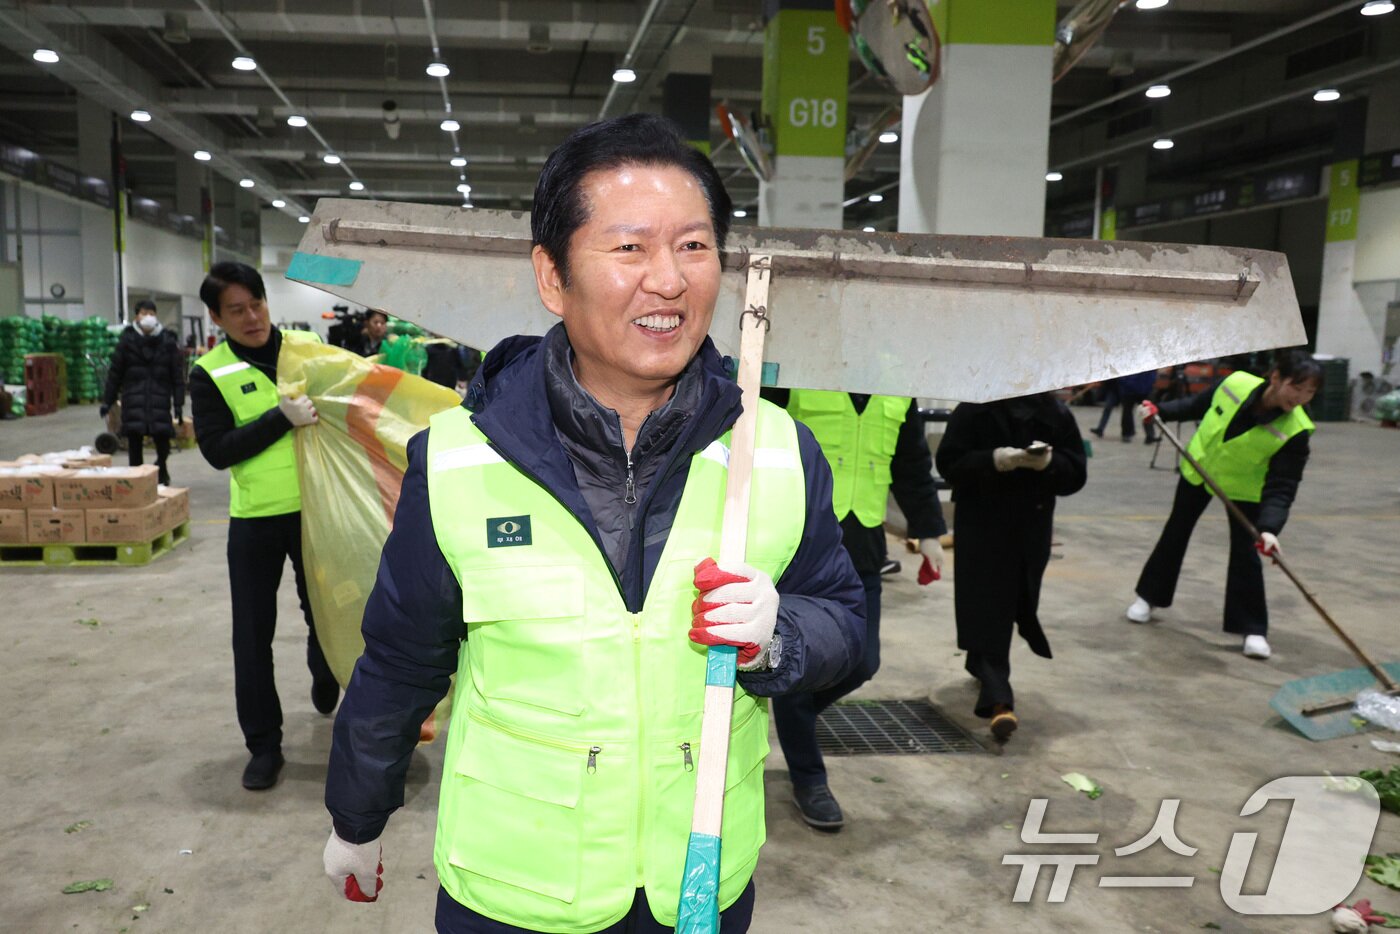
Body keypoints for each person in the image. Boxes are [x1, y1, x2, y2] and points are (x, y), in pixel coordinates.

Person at [320, 114, 865, 934]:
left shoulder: (778, 451)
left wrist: (778, 638)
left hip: (698, 885)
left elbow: (847, 623)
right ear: (553, 276)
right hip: (514, 891)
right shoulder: (463, 457)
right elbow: (401, 660)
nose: (669, 280)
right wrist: (356, 818)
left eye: (693, 246)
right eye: (630, 248)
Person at [762, 389, 945, 831]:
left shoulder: (897, 393)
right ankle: (810, 778)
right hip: (800, 549)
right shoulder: (798, 378)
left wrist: (929, 532)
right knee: (801, 664)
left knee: (863, 661)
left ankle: (793, 709)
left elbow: (912, 466)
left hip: (863, 547)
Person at [190, 262, 339, 791]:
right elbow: (217, 450)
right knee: (252, 638)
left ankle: (325, 670)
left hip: (316, 511)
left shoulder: (306, 347)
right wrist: (280, 419)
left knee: (328, 615)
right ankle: (264, 745)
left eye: (257, 304)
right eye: (237, 310)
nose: (252, 317)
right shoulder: (210, 372)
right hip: (255, 520)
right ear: (216, 318)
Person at [1125, 351, 1320, 659]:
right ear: (1276, 377)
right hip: (1199, 468)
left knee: (1246, 553)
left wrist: (1269, 529)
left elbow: (1283, 485)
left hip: (1244, 489)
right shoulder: (1235, 383)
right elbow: (1197, 405)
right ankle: (1149, 597)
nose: (1300, 398)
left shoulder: (1296, 429)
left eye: (1309, 392)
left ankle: (1252, 628)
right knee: (1175, 533)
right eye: (1296, 387)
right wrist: (1160, 410)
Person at [935, 393, 1087, 740]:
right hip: (982, 525)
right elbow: (949, 463)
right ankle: (998, 698)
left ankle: (980, 663)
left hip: (1031, 526)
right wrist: (994, 460)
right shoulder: (974, 409)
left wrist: (1048, 464)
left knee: (1016, 600)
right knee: (988, 603)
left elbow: (1076, 473)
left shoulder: (1055, 414)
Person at [101, 299, 185, 485]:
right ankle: (136, 478)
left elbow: (177, 375)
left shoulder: (168, 341)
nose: (148, 317)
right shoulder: (126, 342)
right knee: (134, 439)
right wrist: (108, 400)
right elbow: (115, 373)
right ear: (136, 317)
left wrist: (178, 403)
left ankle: (161, 469)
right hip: (133, 398)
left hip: (159, 398)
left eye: (152, 314)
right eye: (144, 313)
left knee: (163, 437)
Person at [1089, 370, 1158, 444]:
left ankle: (1149, 435)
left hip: (1141, 388)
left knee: (1145, 412)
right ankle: (1128, 433)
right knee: (1127, 412)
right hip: (1131, 389)